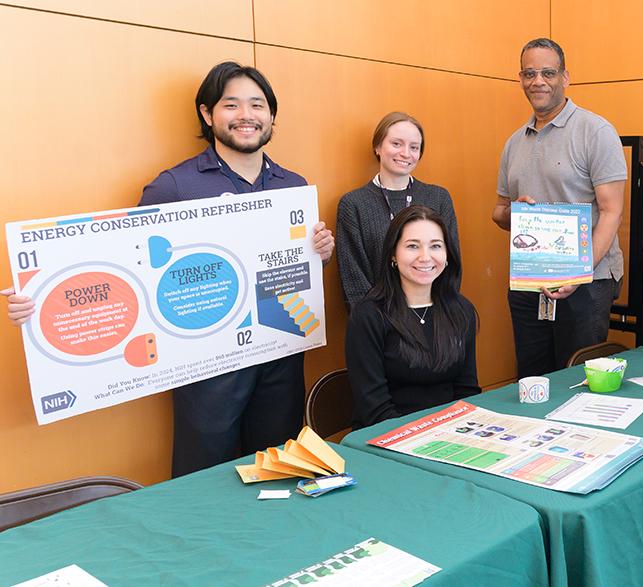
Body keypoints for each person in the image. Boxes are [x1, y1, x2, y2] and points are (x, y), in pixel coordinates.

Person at [4, 61, 335, 477]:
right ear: (207, 113)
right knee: (204, 480)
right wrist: (43, 296)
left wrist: (319, 252)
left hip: (279, 352)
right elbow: (126, 265)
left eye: (257, 105)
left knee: (280, 470)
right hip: (207, 365)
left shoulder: (293, 185)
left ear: (271, 116)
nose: (246, 115)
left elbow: (294, 265)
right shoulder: (175, 186)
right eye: (231, 105)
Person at [490, 37, 627, 377]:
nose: (538, 81)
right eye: (529, 73)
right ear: (520, 78)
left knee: (577, 379)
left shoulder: (595, 131)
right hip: (529, 282)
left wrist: (576, 273)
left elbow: (612, 211)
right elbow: (499, 211)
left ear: (565, 77)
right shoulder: (514, 142)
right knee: (532, 379)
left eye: (548, 72)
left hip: (587, 281)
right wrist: (515, 214)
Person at [345, 205, 478, 429]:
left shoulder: (461, 310)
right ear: (393, 255)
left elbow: (467, 391)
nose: (425, 257)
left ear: (447, 255)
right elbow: (374, 409)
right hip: (388, 438)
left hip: (452, 435)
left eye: (435, 246)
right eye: (412, 246)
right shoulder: (368, 315)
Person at [337, 112, 460, 309]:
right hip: (377, 323)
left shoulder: (438, 198)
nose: (405, 153)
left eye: (414, 147)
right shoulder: (353, 204)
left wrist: (440, 315)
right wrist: (374, 323)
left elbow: (451, 264)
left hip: (433, 316)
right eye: (396, 144)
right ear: (377, 147)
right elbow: (353, 276)